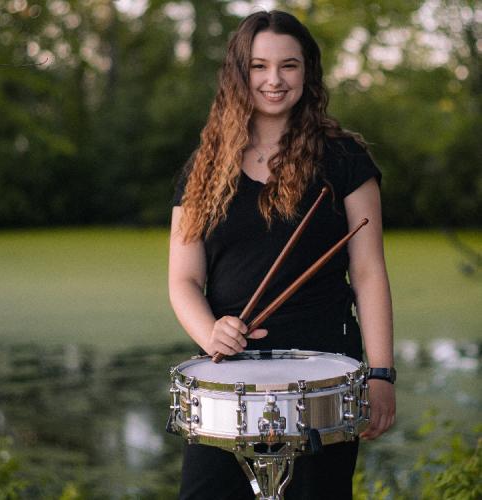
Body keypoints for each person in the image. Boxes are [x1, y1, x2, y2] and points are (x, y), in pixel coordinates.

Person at [168, 10, 395, 500]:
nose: (274, 80)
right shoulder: (206, 167)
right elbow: (183, 279)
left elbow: (369, 272)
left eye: (289, 65)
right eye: (258, 66)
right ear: (238, 73)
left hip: (326, 377)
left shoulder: (345, 159)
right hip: (229, 376)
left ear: (307, 72)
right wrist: (209, 330)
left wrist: (380, 373)